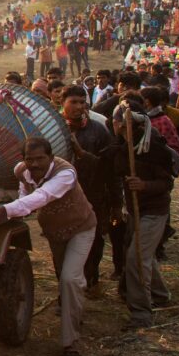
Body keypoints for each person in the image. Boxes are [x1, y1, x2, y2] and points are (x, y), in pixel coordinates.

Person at [0, 137, 97, 356]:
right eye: (29, 159)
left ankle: (70, 341)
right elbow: (26, 193)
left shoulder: (65, 173)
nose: (34, 164)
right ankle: (74, 308)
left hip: (80, 228)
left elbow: (42, 196)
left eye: (40, 159)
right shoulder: (22, 171)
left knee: (70, 279)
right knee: (65, 277)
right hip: (55, 232)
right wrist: (18, 208)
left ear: (51, 158)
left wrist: (6, 210)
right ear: (23, 159)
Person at [112, 99, 177, 329]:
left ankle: (141, 313)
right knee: (143, 253)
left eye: (119, 123)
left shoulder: (153, 147)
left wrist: (143, 185)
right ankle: (160, 295)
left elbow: (166, 183)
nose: (117, 127)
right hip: (134, 210)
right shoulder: (122, 147)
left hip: (154, 211)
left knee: (136, 258)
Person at [60, 86, 124, 293]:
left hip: (93, 196)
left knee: (94, 242)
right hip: (61, 199)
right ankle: (67, 290)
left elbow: (110, 169)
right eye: (74, 102)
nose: (79, 107)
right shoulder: (53, 128)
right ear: (63, 103)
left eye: (82, 102)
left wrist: (116, 204)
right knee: (62, 244)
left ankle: (91, 279)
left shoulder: (99, 130)